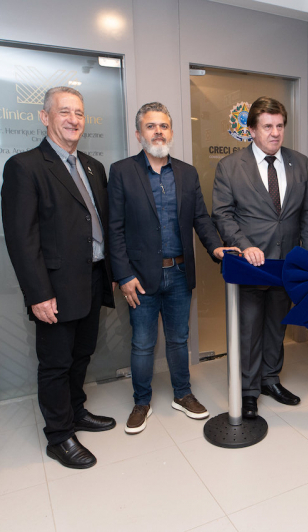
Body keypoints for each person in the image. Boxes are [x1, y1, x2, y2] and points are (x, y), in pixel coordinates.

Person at [1, 87, 116, 470]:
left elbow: (98, 223)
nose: (73, 119)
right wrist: (38, 294)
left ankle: (75, 411)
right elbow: (22, 239)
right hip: (54, 288)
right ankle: (59, 435)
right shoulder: (25, 167)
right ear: (45, 117)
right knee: (55, 363)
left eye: (79, 113)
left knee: (82, 354)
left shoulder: (92, 167)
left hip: (93, 278)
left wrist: (110, 273)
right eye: (64, 112)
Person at [109, 102, 238, 434]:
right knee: (142, 343)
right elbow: (115, 228)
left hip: (179, 273)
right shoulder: (122, 171)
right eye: (151, 126)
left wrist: (216, 246)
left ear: (171, 132)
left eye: (163, 126)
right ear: (139, 133)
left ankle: (183, 394)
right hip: (140, 278)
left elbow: (201, 219)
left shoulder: (187, 173)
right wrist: (123, 275)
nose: (158, 132)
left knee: (179, 340)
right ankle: (142, 402)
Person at [212, 96, 308, 419]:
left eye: (280, 126)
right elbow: (222, 214)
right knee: (249, 328)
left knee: (276, 325)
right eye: (268, 126)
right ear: (251, 130)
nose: (275, 133)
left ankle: (270, 379)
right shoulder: (230, 166)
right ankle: (248, 390)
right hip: (251, 266)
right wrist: (243, 245)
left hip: (287, 264)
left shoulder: (300, 163)